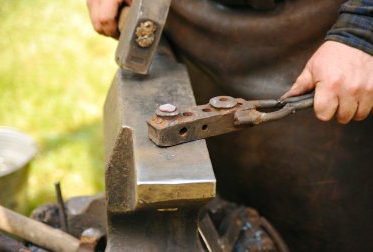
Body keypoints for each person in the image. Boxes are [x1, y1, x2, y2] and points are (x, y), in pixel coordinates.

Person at [87, 0, 373, 251]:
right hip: (191, 27)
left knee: (327, 224)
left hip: (324, 31)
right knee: (216, 214)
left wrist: (361, 29)